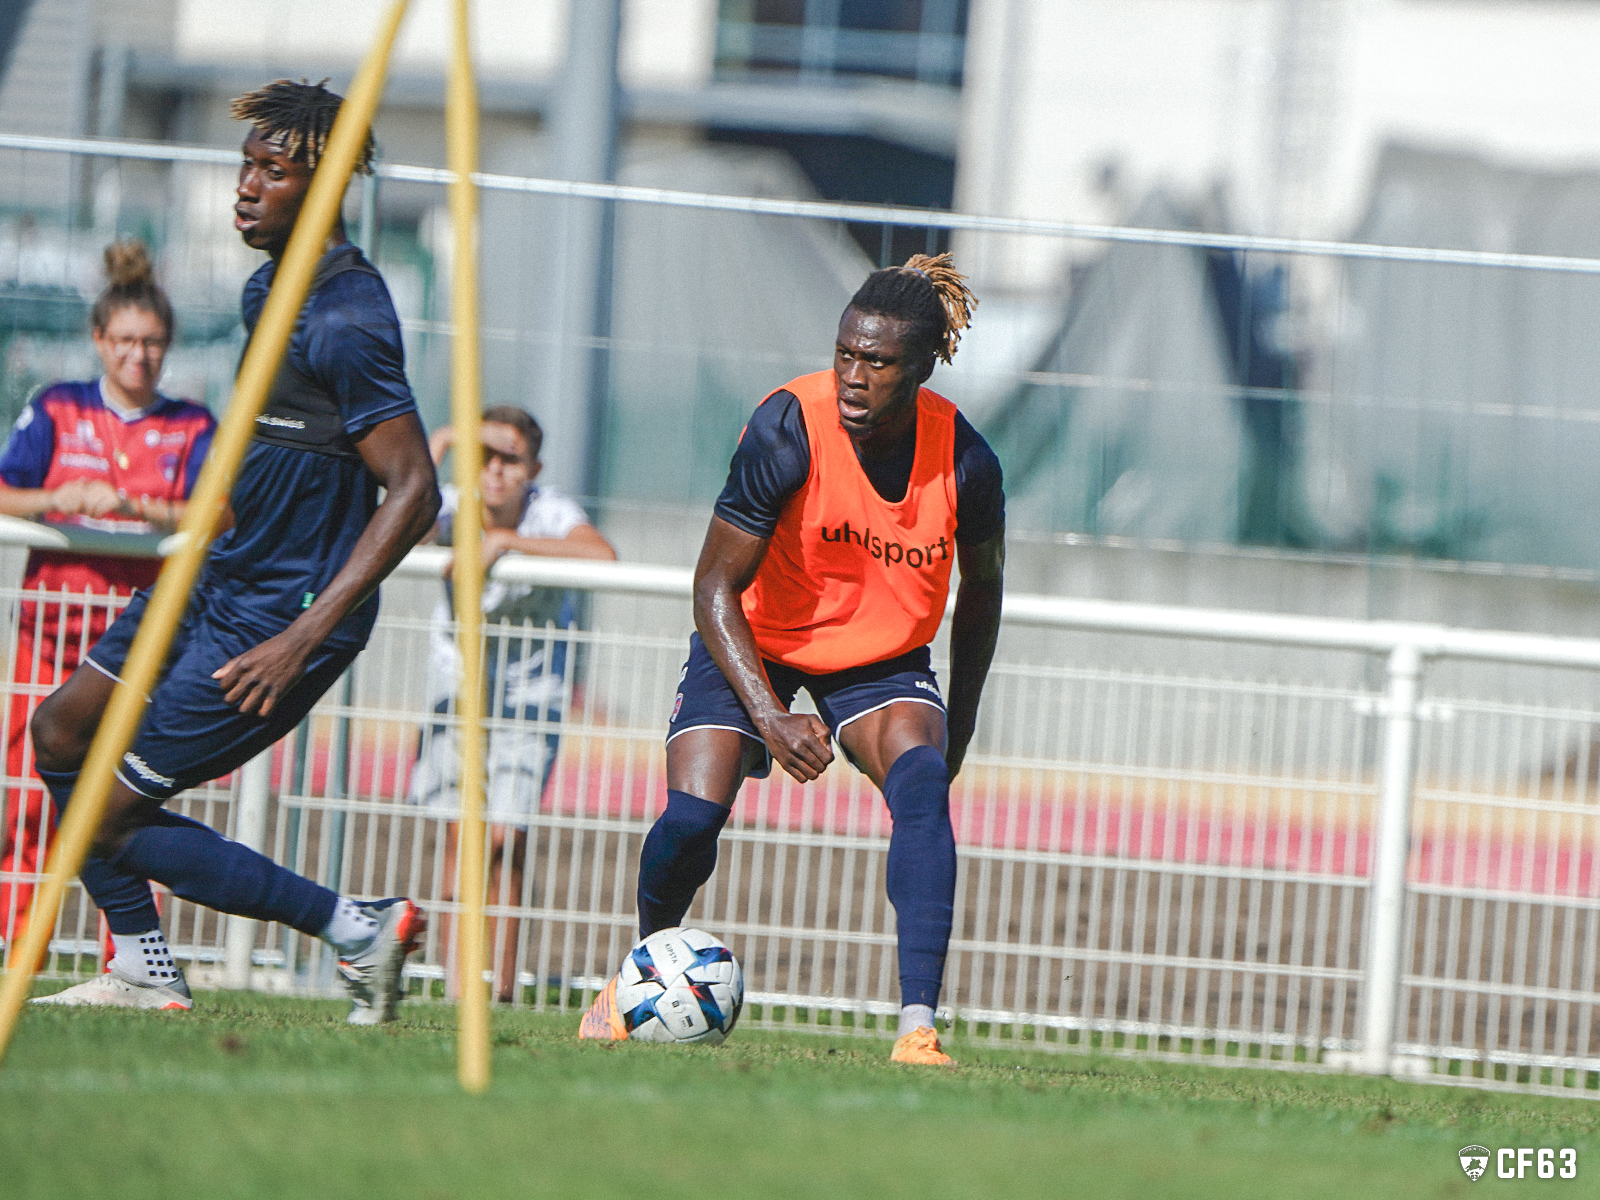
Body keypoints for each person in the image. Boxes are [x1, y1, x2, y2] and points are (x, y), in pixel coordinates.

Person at [26, 79, 440, 1023]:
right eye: (245, 165)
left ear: (324, 184)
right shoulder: (267, 289)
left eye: (273, 170)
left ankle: (356, 926)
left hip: (280, 616)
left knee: (107, 813)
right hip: (213, 583)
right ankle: (139, 966)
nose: (246, 187)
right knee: (59, 733)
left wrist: (301, 637)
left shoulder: (347, 317)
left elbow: (415, 489)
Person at [579, 253, 1005, 1065]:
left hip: (878, 657)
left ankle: (917, 1029)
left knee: (921, 783)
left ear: (921, 369)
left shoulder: (966, 459)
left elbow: (983, 593)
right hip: (754, 639)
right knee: (692, 817)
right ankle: (641, 976)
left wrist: (965, 725)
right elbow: (712, 587)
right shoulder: (787, 426)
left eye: (876, 363)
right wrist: (770, 717)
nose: (852, 376)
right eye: (845, 352)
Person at [0, 241, 215, 955]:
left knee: (124, 805)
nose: (138, 356)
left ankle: (129, 958)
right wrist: (55, 498)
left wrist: (146, 509)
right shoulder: (58, 408)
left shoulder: (191, 427)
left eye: (152, 343)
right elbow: (6, 491)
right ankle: (12, 945)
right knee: (29, 800)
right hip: (49, 632)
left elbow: (218, 513)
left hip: (137, 645)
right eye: (124, 341)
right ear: (99, 340)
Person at [408, 407, 615, 1002]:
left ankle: (499, 990)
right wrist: (442, 443)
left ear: (534, 468)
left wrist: (506, 541)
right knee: (458, 841)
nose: (494, 471)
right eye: (483, 456)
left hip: (530, 699)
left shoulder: (552, 511)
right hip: (458, 692)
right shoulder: (446, 502)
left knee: (505, 840)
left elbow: (603, 556)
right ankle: (454, 986)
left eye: (509, 459)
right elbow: (395, 523)